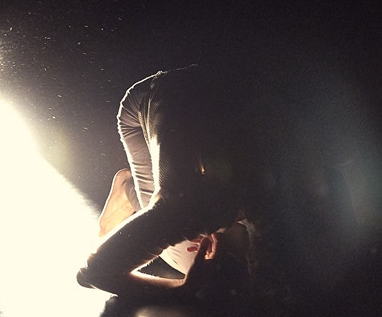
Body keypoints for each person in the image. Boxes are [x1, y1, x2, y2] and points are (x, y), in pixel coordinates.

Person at [77, 64, 360, 302]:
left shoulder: (321, 194)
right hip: (158, 97)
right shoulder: (207, 205)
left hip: (233, 94)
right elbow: (94, 273)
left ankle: (140, 195)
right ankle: (131, 190)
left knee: (202, 239)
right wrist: (182, 289)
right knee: (184, 258)